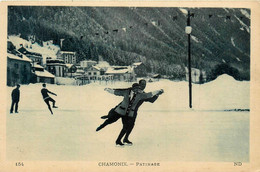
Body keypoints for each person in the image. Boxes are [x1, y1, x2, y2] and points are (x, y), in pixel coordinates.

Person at [97, 83, 164, 146]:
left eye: (138, 89)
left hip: (128, 114)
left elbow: (149, 94)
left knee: (125, 127)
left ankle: (118, 141)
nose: (137, 90)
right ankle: (101, 126)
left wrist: (158, 91)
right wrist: (108, 90)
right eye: (136, 89)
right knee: (110, 120)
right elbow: (116, 92)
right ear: (132, 88)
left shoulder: (140, 95)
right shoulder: (126, 92)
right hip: (120, 111)